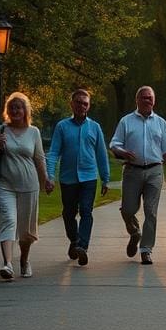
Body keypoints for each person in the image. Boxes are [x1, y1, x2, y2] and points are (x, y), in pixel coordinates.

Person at [0, 92, 54, 280]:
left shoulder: (34, 132)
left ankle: (24, 259)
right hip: (5, 184)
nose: (15, 110)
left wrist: (46, 179)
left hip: (29, 185)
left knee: (25, 229)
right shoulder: (1, 130)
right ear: (7, 110)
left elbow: (39, 158)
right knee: (8, 220)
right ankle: (7, 263)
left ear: (25, 111)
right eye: (12, 107)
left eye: (19, 107)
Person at [109, 85, 166, 265]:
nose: (147, 100)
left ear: (154, 101)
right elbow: (114, 144)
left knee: (151, 212)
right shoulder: (126, 121)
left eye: (150, 98)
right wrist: (123, 152)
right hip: (132, 171)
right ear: (137, 100)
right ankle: (134, 233)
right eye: (144, 97)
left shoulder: (160, 123)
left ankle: (146, 249)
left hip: (154, 171)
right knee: (128, 210)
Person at [46, 89, 111, 267]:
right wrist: (50, 176)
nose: (81, 106)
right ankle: (74, 240)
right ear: (72, 104)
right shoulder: (62, 126)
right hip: (68, 179)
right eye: (78, 102)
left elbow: (101, 154)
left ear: (89, 106)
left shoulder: (94, 127)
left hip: (89, 177)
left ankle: (82, 246)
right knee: (68, 213)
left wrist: (105, 178)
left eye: (85, 103)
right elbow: (53, 153)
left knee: (86, 211)